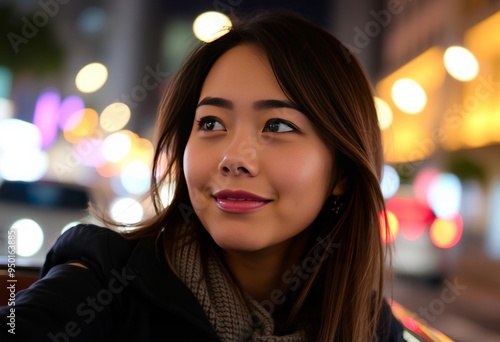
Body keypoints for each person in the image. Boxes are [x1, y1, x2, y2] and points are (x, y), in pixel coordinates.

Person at [1, 11, 404, 341]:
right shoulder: (105, 285)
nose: (233, 158)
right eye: (211, 123)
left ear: (342, 172)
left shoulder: (371, 330)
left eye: (277, 127)